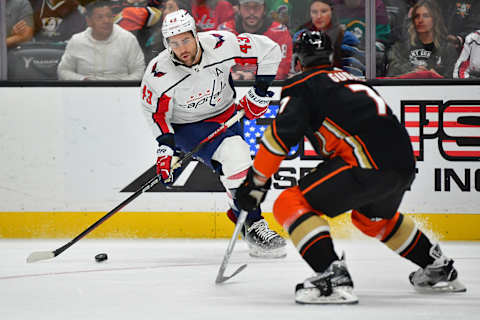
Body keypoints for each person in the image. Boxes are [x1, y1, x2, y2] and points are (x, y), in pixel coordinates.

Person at [235, 30, 466, 304]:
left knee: (289, 201)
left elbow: (280, 136)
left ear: (298, 61)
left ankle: (332, 278)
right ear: (330, 57)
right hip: (403, 162)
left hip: (366, 162)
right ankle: (439, 268)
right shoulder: (352, 80)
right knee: (372, 219)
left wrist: (256, 181)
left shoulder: (302, 84)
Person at [140, 9, 287, 258]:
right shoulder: (159, 72)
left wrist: (260, 92)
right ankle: (253, 223)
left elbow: (270, 49)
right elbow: (155, 112)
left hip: (228, 114)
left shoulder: (221, 43)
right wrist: (165, 145)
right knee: (237, 159)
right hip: (188, 126)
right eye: (174, 43)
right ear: (167, 44)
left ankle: (238, 210)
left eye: (186, 39)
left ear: (196, 35)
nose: (182, 48)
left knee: (235, 168)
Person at [57, 1, 145, 80]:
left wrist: (119, 84)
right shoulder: (77, 41)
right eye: (100, 17)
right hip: (85, 91)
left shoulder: (128, 39)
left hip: (120, 93)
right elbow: (63, 71)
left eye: (109, 16)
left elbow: (139, 71)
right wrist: (83, 80)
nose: (106, 21)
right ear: (89, 21)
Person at [218, 0, 292, 80]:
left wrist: (254, 75)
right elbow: (217, 64)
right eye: (246, 7)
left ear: (264, 9)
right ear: (239, 9)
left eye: (257, 7)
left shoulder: (279, 31)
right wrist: (229, 75)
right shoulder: (225, 31)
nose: (252, 12)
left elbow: (282, 67)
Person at [386, 0, 458, 78]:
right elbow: (392, 72)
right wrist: (413, 70)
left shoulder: (447, 49)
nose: (420, 20)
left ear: (435, 19)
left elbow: (452, 80)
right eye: (417, 16)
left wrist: (435, 76)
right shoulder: (401, 47)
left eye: (426, 16)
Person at [294, 0, 365, 77]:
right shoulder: (300, 36)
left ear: (332, 12)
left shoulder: (346, 36)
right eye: (314, 12)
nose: (319, 16)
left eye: (324, 11)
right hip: (307, 82)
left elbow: (359, 67)